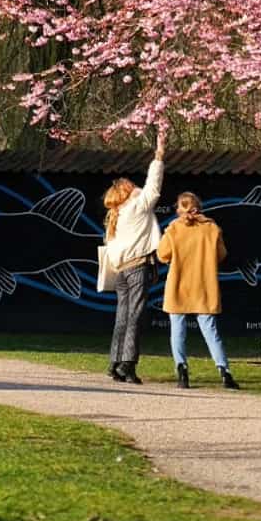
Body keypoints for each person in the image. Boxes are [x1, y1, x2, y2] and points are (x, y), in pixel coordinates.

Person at [157, 191, 239, 390]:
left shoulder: (174, 229)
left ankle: (182, 370)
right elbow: (221, 254)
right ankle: (224, 371)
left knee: (178, 331)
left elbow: (162, 254)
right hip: (204, 285)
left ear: (181, 209)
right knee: (211, 331)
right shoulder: (211, 228)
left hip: (179, 285)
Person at [103, 126, 166, 384]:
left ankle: (114, 362)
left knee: (122, 316)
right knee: (135, 316)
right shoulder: (136, 206)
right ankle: (128, 365)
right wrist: (159, 156)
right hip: (138, 267)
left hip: (121, 271)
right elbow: (154, 187)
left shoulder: (115, 216)